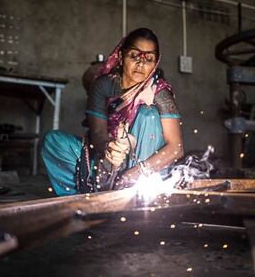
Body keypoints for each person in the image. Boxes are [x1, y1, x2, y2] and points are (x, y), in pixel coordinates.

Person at [41, 28, 184, 196]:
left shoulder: (159, 92)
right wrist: (109, 148)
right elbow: (98, 134)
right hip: (108, 157)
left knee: (148, 115)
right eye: (134, 56)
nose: (141, 64)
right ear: (122, 57)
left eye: (149, 59)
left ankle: (134, 194)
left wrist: (137, 172)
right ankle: (84, 199)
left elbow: (176, 148)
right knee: (53, 141)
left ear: (155, 63)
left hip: (145, 166)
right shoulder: (103, 85)